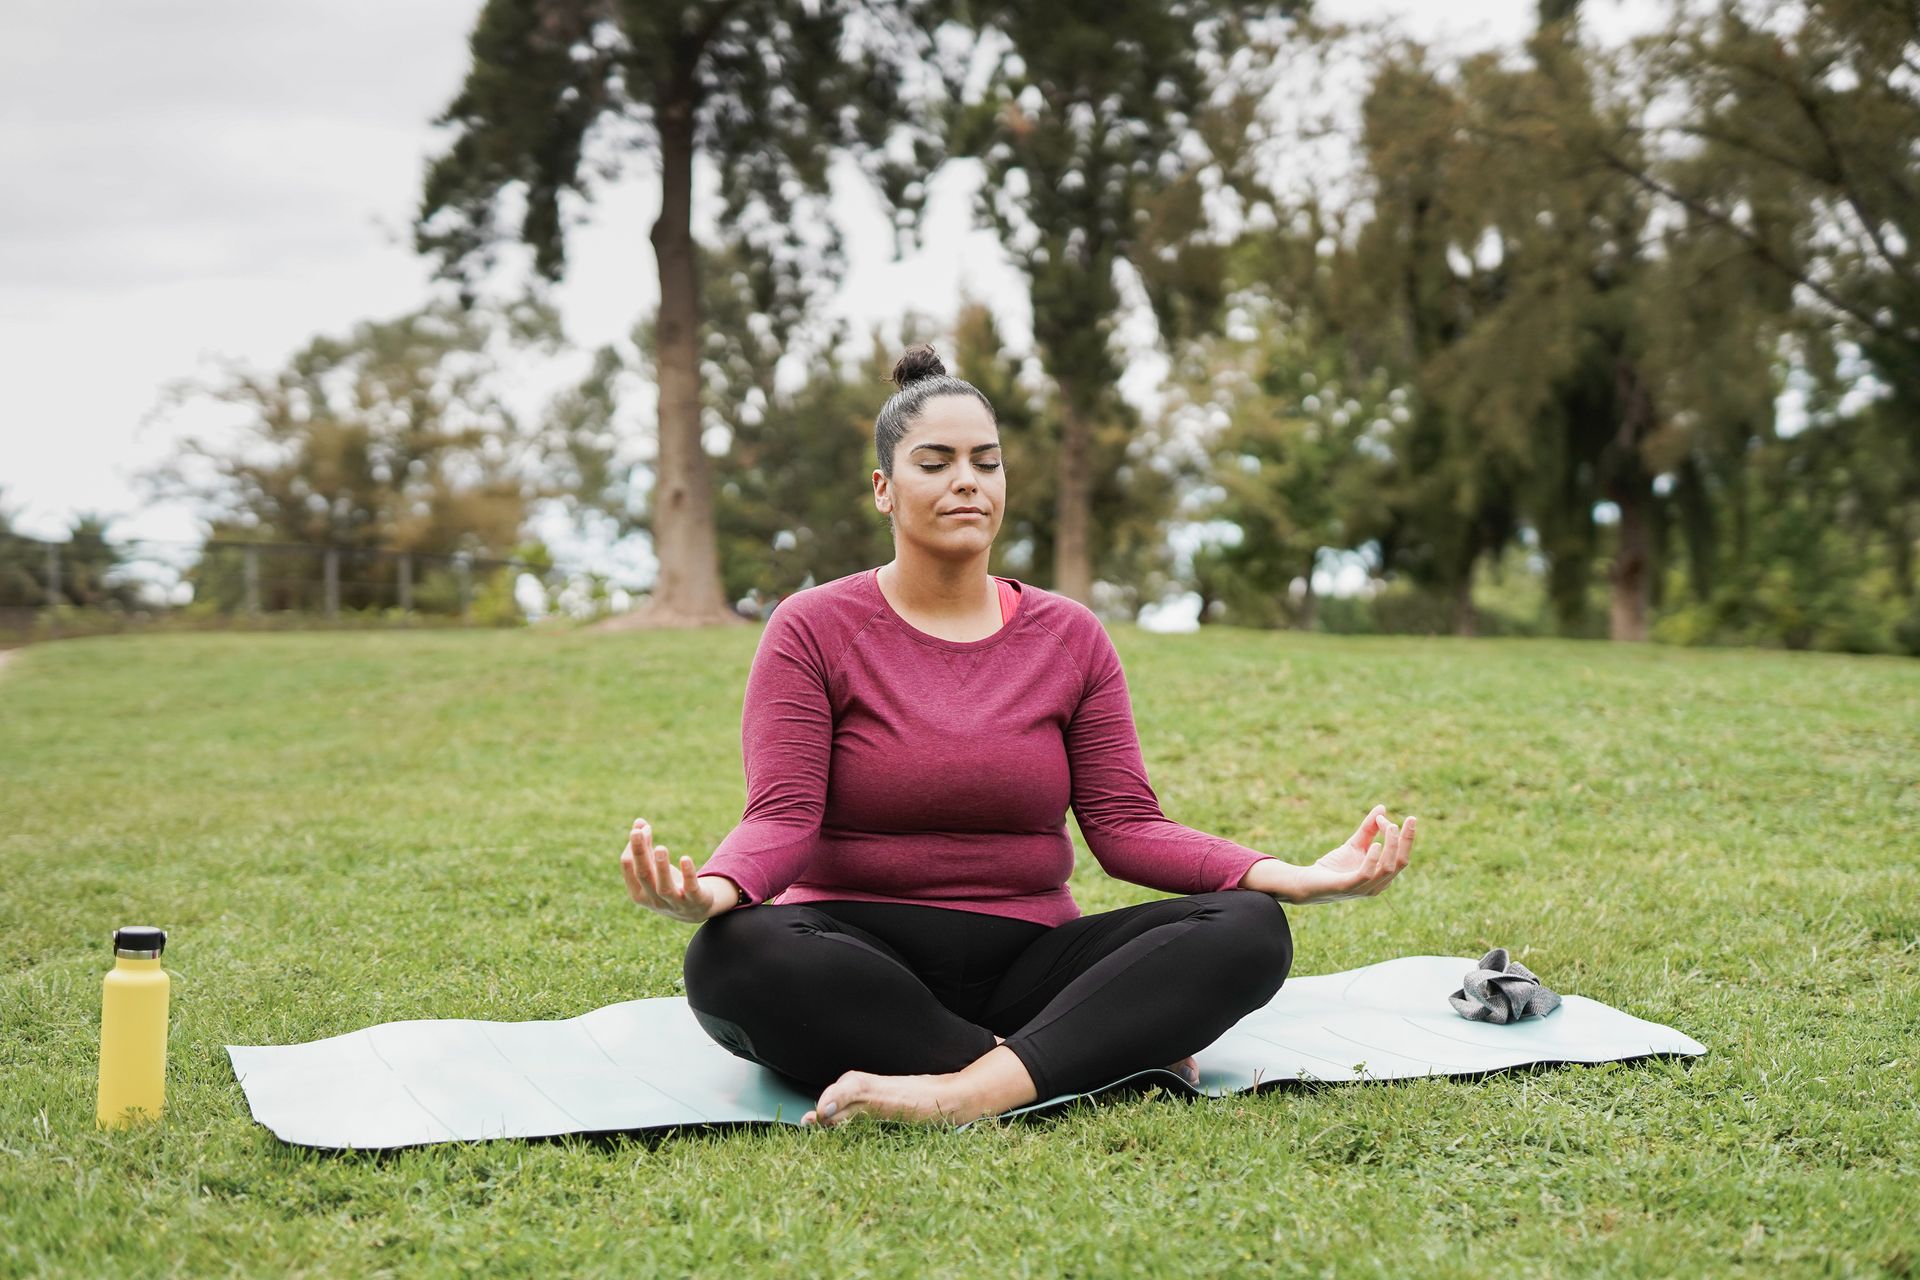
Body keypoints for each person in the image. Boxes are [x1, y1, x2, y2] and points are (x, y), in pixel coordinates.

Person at [619, 344, 1415, 1129]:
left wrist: (1291, 876)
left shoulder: (1069, 634)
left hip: (1034, 960)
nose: (967, 480)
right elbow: (784, 815)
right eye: (935, 462)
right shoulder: (813, 627)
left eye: (986, 462)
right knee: (735, 955)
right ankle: (1074, 1054)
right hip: (856, 955)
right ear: (883, 490)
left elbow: (1127, 828)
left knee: (1248, 927)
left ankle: (967, 1090)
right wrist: (715, 891)